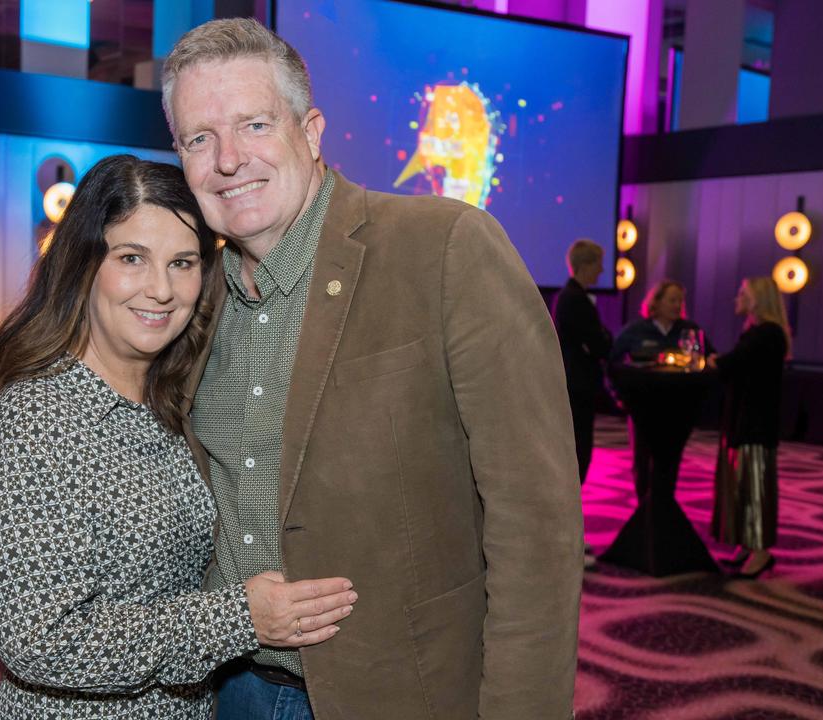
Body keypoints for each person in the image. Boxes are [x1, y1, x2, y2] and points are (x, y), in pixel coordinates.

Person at [163, 19, 583, 719]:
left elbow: (535, 529)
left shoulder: (445, 249)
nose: (228, 159)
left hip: (402, 692)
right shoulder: (192, 298)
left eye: (255, 125)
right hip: (229, 690)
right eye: (198, 139)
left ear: (313, 130)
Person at [0, 155, 357, 719]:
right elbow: (43, 640)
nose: (161, 289)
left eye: (182, 263)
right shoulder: (36, 422)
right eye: (132, 258)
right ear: (84, 265)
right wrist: (240, 618)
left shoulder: (168, 401)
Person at [708, 277, 789, 578]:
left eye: (743, 294)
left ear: (757, 300)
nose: (736, 299)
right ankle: (746, 541)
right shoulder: (759, 333)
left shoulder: (767, 334)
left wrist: (715, 361)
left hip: (755, 423)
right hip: (744, 420)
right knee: (740, 481)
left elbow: (732, 364)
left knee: (754, 484)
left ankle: (761, 549)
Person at [553, 239, 613, 484]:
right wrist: (603, 337)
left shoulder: (570, 296)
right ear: (586, 265)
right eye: (599, 264)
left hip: (574, 380)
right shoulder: (575, 299)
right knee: (579, 447)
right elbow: (600, 344)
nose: (602, 270)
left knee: (578, 445)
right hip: (578, 382)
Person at [610, 279, 706, 362]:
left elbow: (710, 357)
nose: (677, 306)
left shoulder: (690, 329)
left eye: (680, 301)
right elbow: (612, 357)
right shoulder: (635, 329)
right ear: (656, 302)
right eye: (672, 301)